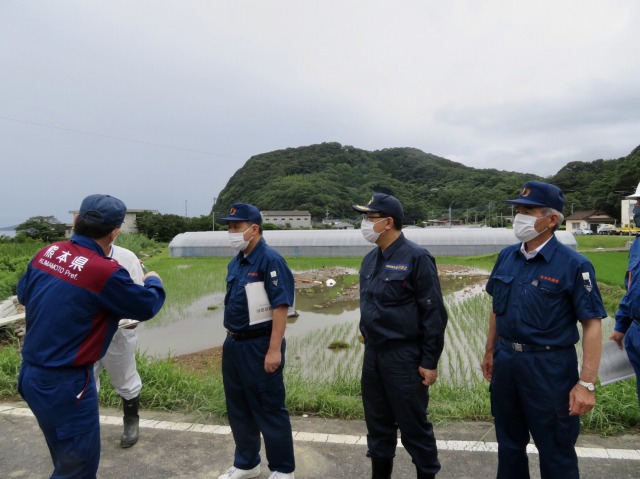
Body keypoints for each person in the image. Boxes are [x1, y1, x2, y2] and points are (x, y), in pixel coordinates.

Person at [17, 194, 166, 479]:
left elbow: (24, 295)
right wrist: (154, 281)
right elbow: (146, 306)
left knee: (65, 458)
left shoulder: (47, 252)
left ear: (76, 220)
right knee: (78, 469)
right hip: (66, 384)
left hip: (31, 376)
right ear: (115, 232)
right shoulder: (104, 270)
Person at [481, 181, 606, 479]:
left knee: (556, 450)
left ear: (551, 220)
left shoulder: (575, 264)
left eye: (528, 211)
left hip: (549, 368)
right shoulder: (506, 256)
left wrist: (586, 384)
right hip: (507, 362)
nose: (519, 217)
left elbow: (592, 323)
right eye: (517, 210)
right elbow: (497, 309)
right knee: (509, 446)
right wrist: (490, 350)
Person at [352, 193, 448, 479]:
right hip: (374, 356)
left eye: (370, 217)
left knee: (414, 428)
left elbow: (434, 313)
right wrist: (365, 330)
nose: (364, 223)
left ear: (388, 222)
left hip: (404, 359)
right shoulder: (370, 259)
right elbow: (369, 302)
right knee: (377, 427)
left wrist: (429, 361)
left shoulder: (417, 257)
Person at [217, 203, 296, 479]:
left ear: (254, 229)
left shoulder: (271, 260)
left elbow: (281, 306)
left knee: (269, 407)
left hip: (259, 345)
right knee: (238, 407)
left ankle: (283, 469)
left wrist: (274, 350)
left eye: (236, 227)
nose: (231, 232)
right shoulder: (237, 260)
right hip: (234, 343)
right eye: (229, 227)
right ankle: (247, 463)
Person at [93, 243, 146, 448]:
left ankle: (131, 420)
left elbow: (138, 295)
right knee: (84, 380)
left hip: (118, 332)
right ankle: (87, 424)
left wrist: (132, 318)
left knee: (125, 377)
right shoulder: (73, 257)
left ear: (114, 231)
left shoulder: (126, 257)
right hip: (85, 333)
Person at [609, 184, 640, 403]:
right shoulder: (638, 243)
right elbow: (632, 288)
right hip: (636, 331)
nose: (636, 209)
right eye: (637, 203)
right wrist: (621, 325)